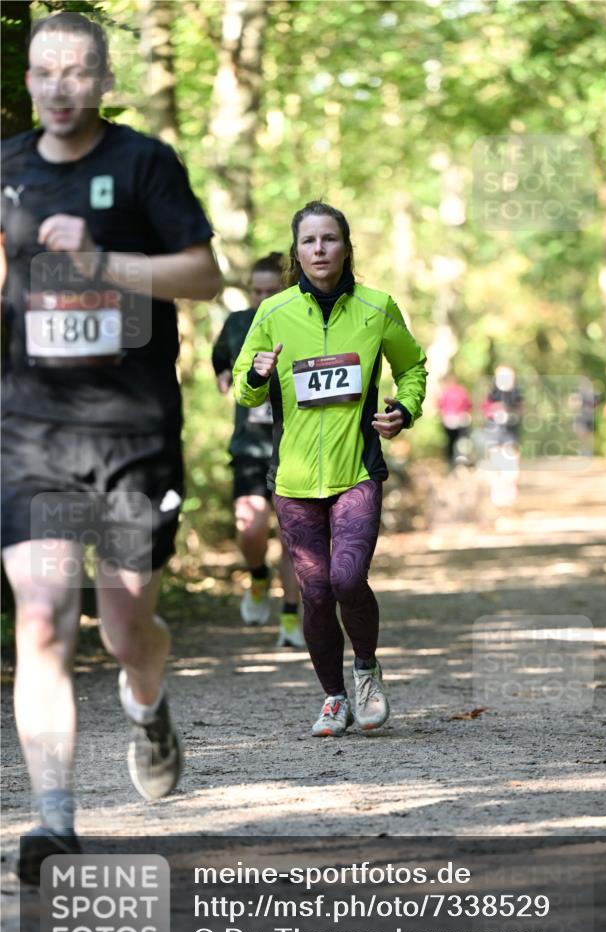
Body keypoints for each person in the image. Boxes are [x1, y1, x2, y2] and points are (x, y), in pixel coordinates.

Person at [1, 12, 221, 882]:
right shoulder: (8, 171)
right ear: (27, 80)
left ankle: (148, 703)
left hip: (131, 436)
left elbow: (204, 276)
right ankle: (53, 822)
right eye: (43, 73)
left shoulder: (142, 164)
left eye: (76, 73)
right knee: (43, 619)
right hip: (32, 436)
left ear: (103, 80)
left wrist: (104, 265)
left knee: (129, 624)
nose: (59, 88)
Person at [232, 201, 427, 737]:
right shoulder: (273, 313)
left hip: (356, 472)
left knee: (346, 577)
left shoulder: (376, 308)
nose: (319, 249)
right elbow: (246, 389)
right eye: (309, 241)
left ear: (346, 246)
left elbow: (412, 366)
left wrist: (403, 411)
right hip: (293, 481)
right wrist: (256, 371)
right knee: (314, 591)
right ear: (297, 252)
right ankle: (333, 698)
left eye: (329, 239)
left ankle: (365, 669)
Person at [212, 253, 304, 647]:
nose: (262, 297)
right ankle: (258, 576)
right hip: (249, 446)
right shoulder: (237, 323)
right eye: (257, 290)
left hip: (294, 447)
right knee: (249, 527)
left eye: (272, 290)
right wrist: (220, 373)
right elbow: (219, 356)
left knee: (291, 538)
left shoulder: (299, 320)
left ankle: (289, 617)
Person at [482, 364, 523, 507]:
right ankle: (498, 495)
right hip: (495, 433)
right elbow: (485, 409)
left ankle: (510, 495)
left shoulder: (516, 392)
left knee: (510, 466)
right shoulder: (492, 392)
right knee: (496, 464)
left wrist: (511, 413)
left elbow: (521, 410)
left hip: (510, 434)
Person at [437, 373, 473, 468]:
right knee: (460, 441)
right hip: (457, 420)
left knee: (453, 442)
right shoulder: (461, 391)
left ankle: (453, 462)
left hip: (452, 420)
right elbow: (469, 405)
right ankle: (458, 462)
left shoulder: (446, 392)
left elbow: (440, 405)